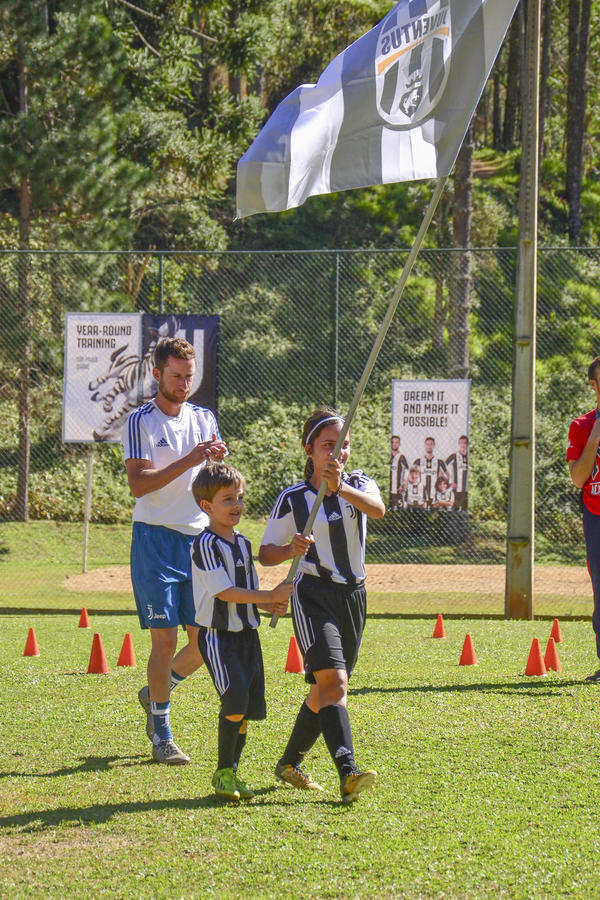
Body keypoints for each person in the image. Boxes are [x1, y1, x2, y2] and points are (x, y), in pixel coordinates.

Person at [259, 406, 385, 803]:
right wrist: (289, 549)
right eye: (329, 445)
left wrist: (340, 487)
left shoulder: (360, 483)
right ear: (309, 449)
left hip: (354, 595)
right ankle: (347, 772)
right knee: (335, 684)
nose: (338, 453)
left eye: (344, 445)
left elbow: (378, 511)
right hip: (312, 594)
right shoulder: (294, 499)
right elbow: (265, 554)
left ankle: (288, 763)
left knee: (323, 690)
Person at [122, 336, 227, 764]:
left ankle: (155, 693)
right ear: (156, 374)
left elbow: (213, 477)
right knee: (164, 641)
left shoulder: (204, 418)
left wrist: (218, 465)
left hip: (197, 541)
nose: (185, 384)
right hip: (155, 540)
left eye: (189, 376)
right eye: (177, 376)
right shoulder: (140, 421)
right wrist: (191, 459)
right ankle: (162, 735)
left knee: (204, 643)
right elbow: (138, 484)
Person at [191, 463, 291, 800]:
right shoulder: (204, 545)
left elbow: (246, 590)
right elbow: (224, 592)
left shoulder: (243, 543)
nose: (237, 505)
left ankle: (231, 772)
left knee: (246, 706)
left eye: (240, 498)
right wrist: (269, 596)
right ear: (207, 507)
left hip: (248, 636)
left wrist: (269, 604)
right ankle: (222, 772)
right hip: (218, 637)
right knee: (233, 698)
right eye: (228, 499)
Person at [567, 355, 600, 682]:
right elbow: (578, 479)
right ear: (593, 385)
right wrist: (595, 436)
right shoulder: (581, 426)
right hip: (597, 516)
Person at [413, 436, 447, 507]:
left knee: (434, 514)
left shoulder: (439, 461)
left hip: (434, 493)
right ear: (424, 446)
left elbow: (448, 475)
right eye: (427, 444)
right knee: (420, 514)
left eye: (431, 444)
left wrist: (442, 482)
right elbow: (411, 476)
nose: (429, 446)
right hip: (421, 493)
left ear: (434, 446)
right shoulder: (418, 461)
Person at [446, 435, 469, 510]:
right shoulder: (454, 456)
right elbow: (442, 467)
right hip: (456, 489)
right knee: (454, 510)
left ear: (467, 445)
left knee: (464, 510)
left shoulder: (469, 456)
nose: (463, 445)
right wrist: (449, 482)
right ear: (459, 444)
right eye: (461, 443)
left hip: (467, 490)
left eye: (465, 443)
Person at [389, 434, 408, 511]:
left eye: (396, 442)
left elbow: (407, 470)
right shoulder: (388, 456)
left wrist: (404, 484)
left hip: (397, 489)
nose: (394, 444)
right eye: (392, 442)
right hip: (390, 489)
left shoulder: (401, 457)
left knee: (399, 509)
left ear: (399, 444)